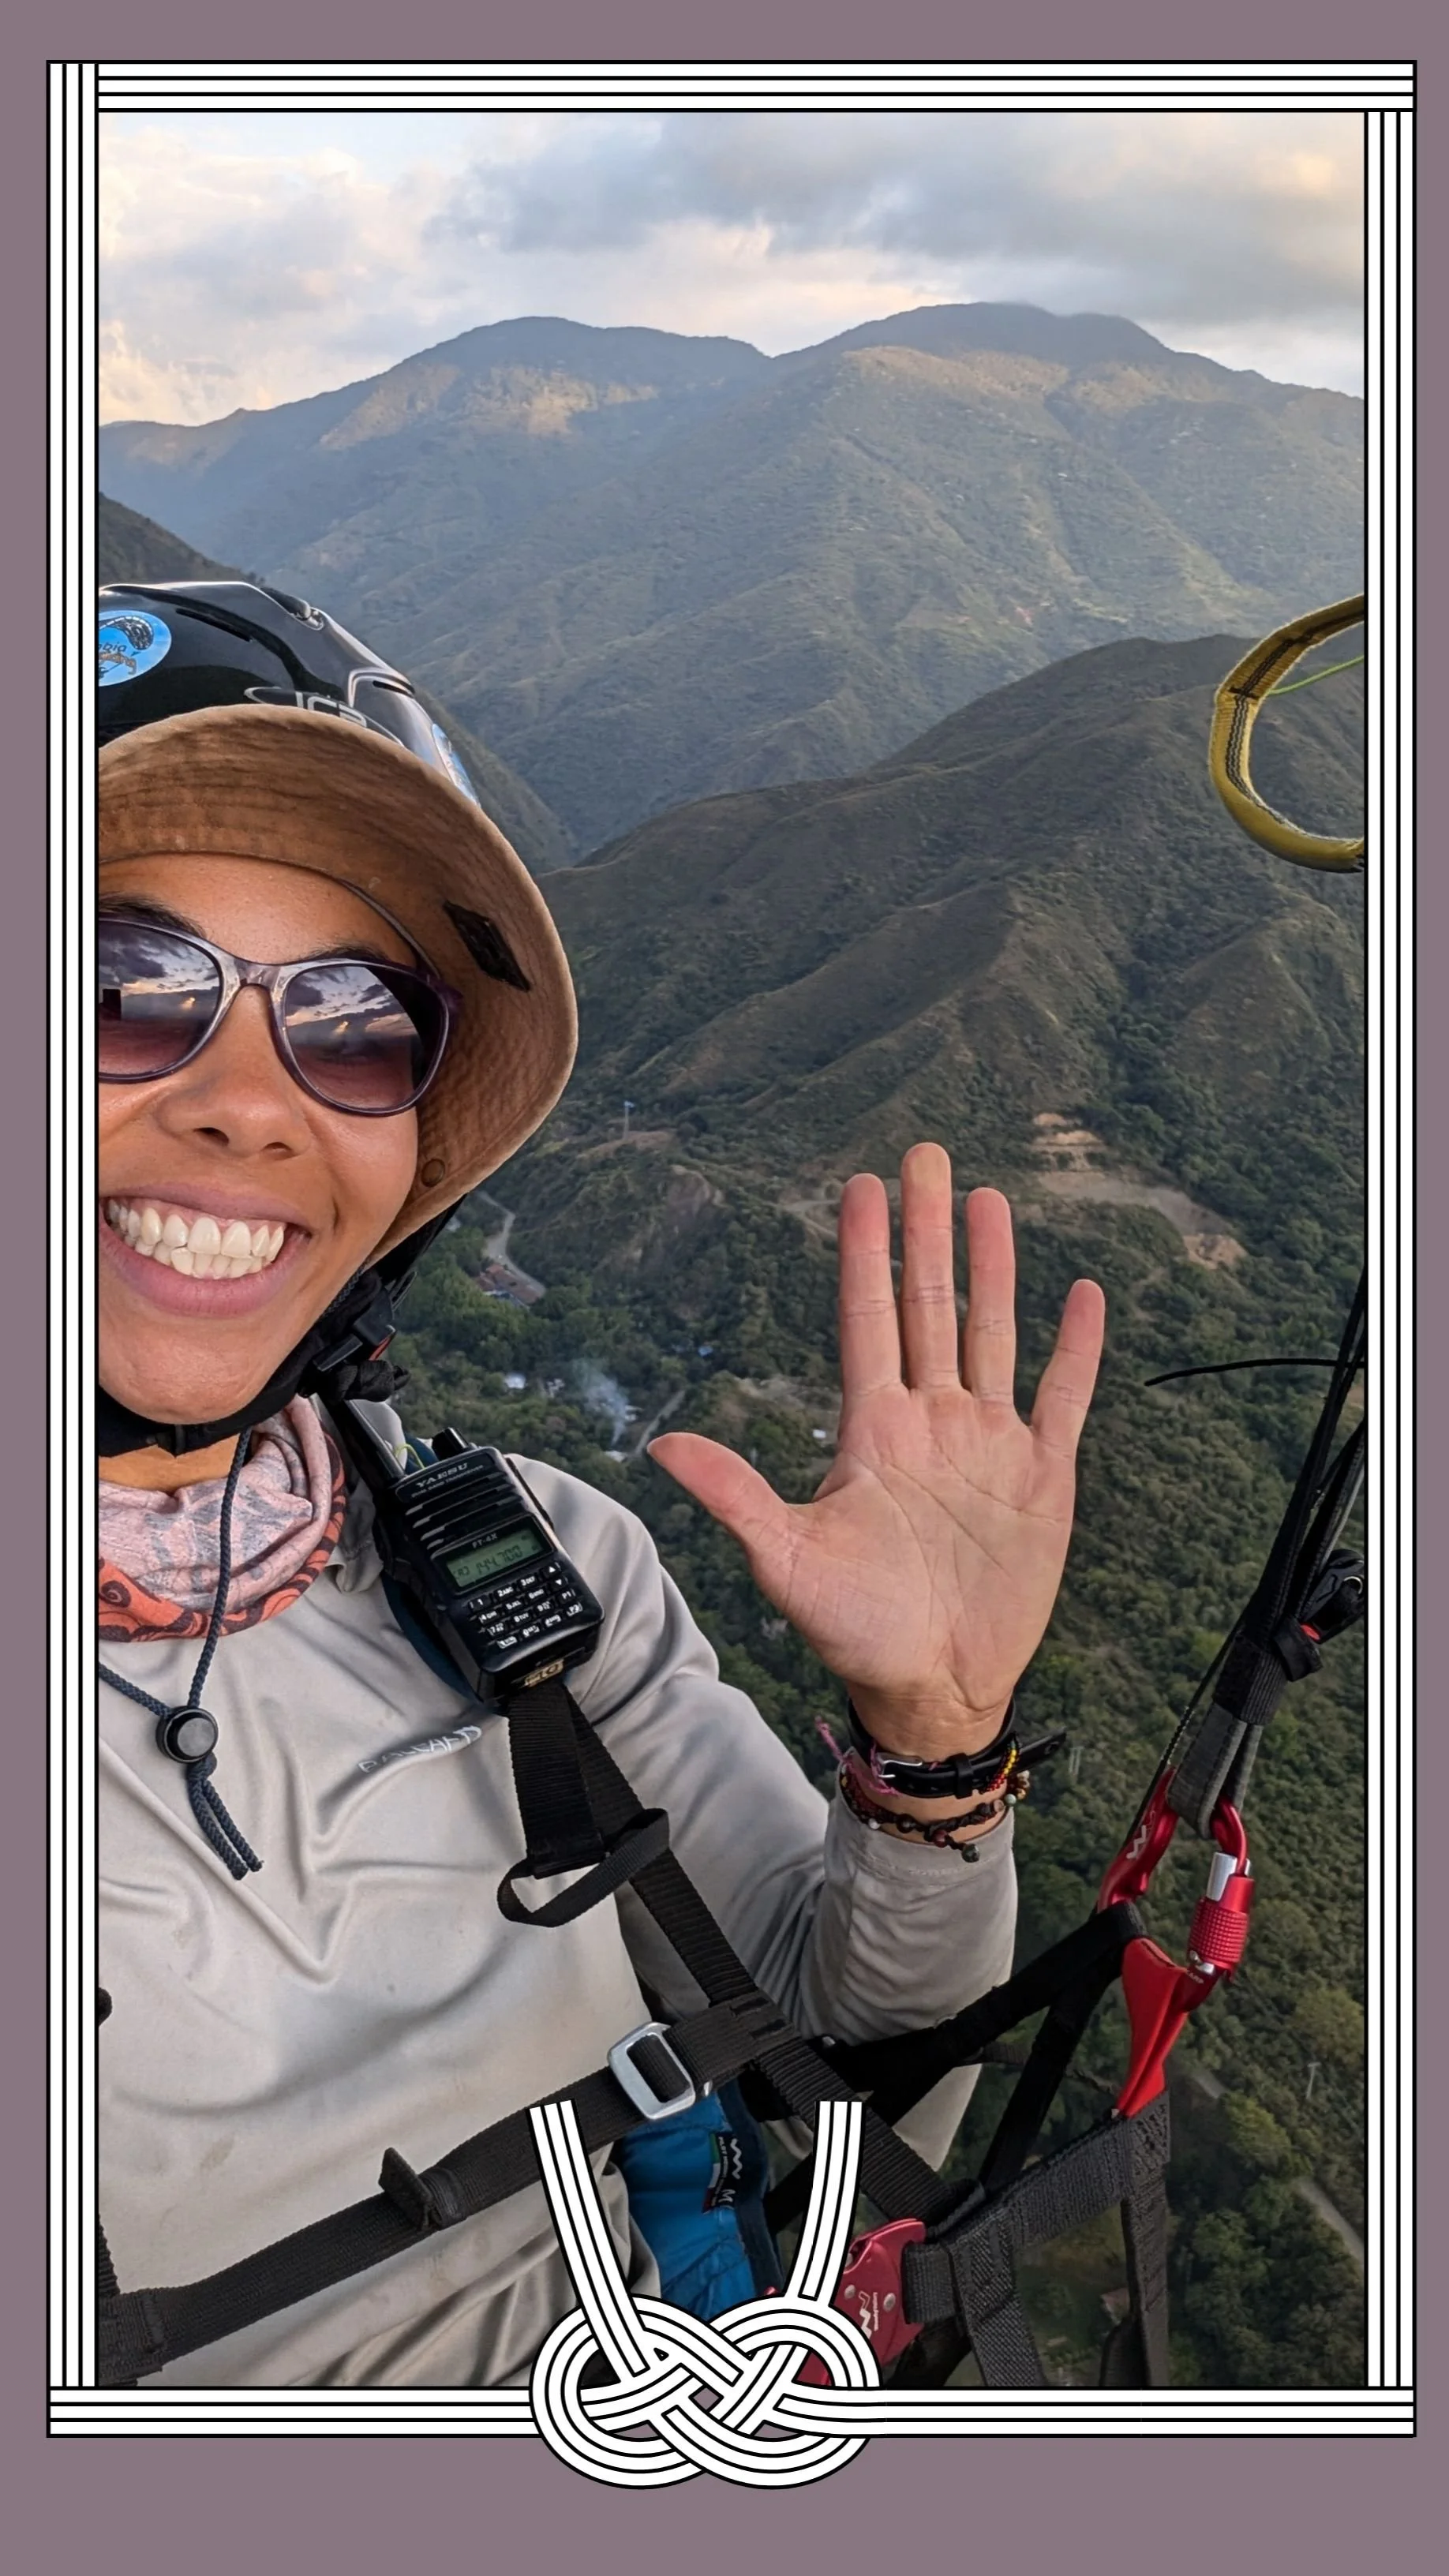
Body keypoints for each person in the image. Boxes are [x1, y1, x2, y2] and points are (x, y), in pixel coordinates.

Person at [96, 582, 1106, 2389]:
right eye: (118, 985)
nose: (252, 1102)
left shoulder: (532, 1562)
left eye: (352, 1019)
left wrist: (938, 1753)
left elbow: (871, 2062)